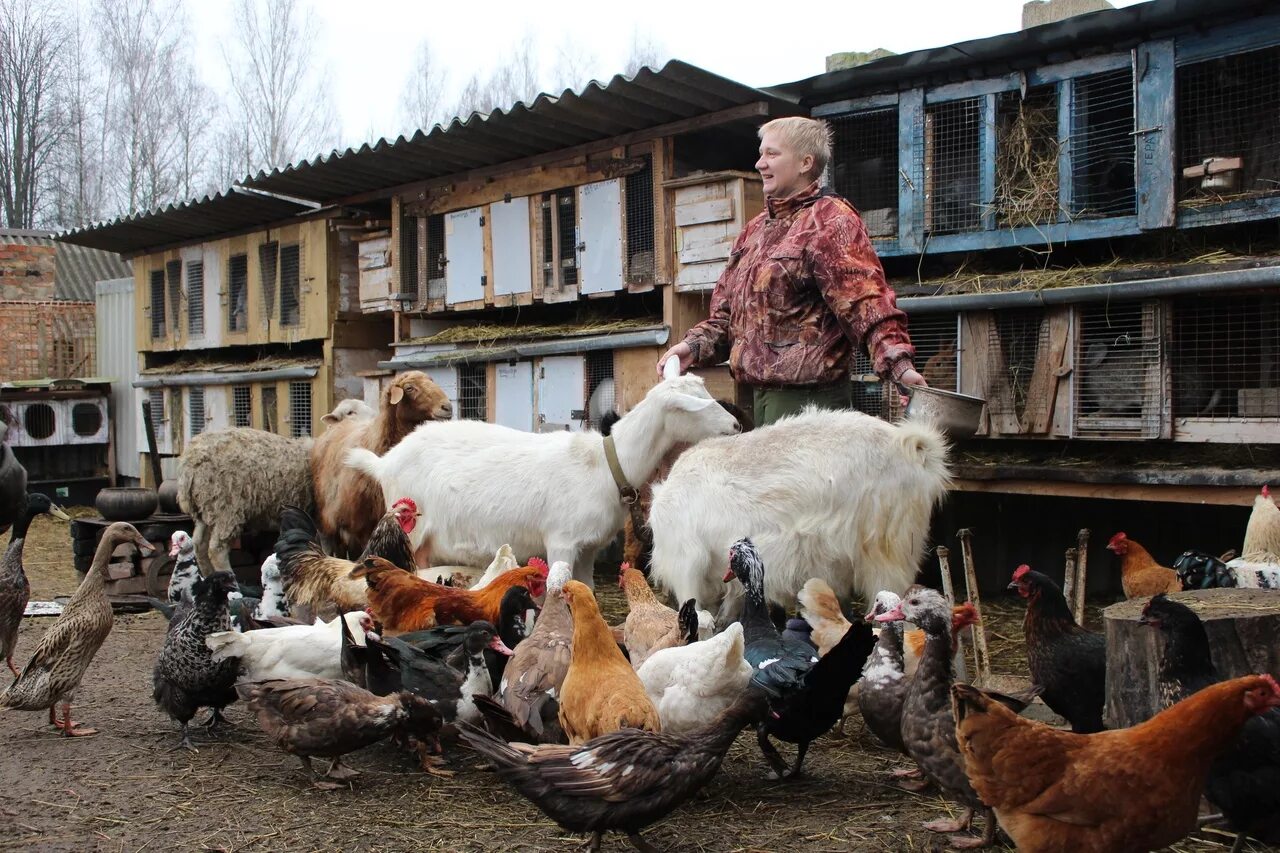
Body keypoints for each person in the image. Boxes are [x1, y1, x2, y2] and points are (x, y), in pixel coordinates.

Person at [657, 116, 926, 426]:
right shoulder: (755, 232)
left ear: (805, 162)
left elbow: (865, 302)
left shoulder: (830, 221)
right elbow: (728, 318)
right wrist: (692, 347)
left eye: (772, 154)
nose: (760, 164)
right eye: (761, 154)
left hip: (809, 407)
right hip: (755, 397)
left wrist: (898, 366)